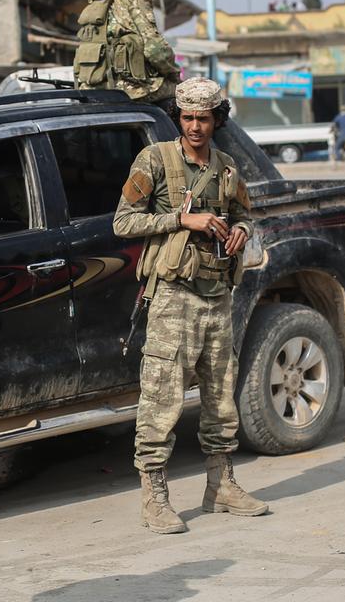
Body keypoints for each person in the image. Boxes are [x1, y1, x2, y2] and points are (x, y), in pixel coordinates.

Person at [113, 77, 269, 534]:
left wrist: (241, 231)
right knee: (161, 397)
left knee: (221, 395)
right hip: (173, 297)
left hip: (217, 295)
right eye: (187, 118)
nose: (195, 126)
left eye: (204, 118)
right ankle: (154, 497)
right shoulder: (155, 160)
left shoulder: (226, 168)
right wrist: (182, 218)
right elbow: (122, 221)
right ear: (178, 118)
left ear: (218, 119)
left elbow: (244, 214)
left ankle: (221, 484)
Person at [74, 0, 179, 106]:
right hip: (124, 88)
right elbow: (155, 49)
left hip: (91, 86)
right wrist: (175, 74)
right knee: (187, 93)